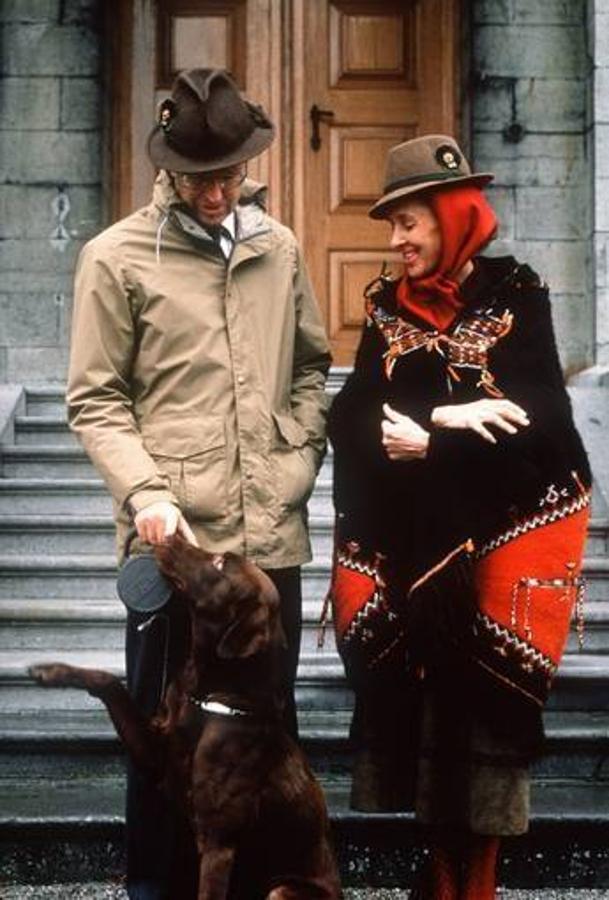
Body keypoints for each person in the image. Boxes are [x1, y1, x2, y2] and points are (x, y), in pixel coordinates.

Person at [67, 68, 331, 899]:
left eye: (228, 175)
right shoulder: (115, 257)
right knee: (166, 746)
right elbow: (96, 398)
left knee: (267, 754)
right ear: (166, 168)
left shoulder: (278, 249)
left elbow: (311, 371)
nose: (215, 194)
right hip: (178, 553)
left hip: (265, 554)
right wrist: (146, 492)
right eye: (197, 177)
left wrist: (293, 465)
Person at [326, 134, 591, 899]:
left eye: (408, 221)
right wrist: (459, 416)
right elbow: (352, 421)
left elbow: (542, 430)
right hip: (412, 562)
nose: (397, 240)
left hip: (495, 566)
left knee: (484, 737)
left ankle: (477, 885)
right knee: (422, 735)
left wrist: (433, 433)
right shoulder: (382, 312)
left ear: (453, 217)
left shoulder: (518, 301)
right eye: (391, 227)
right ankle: (438, 879)